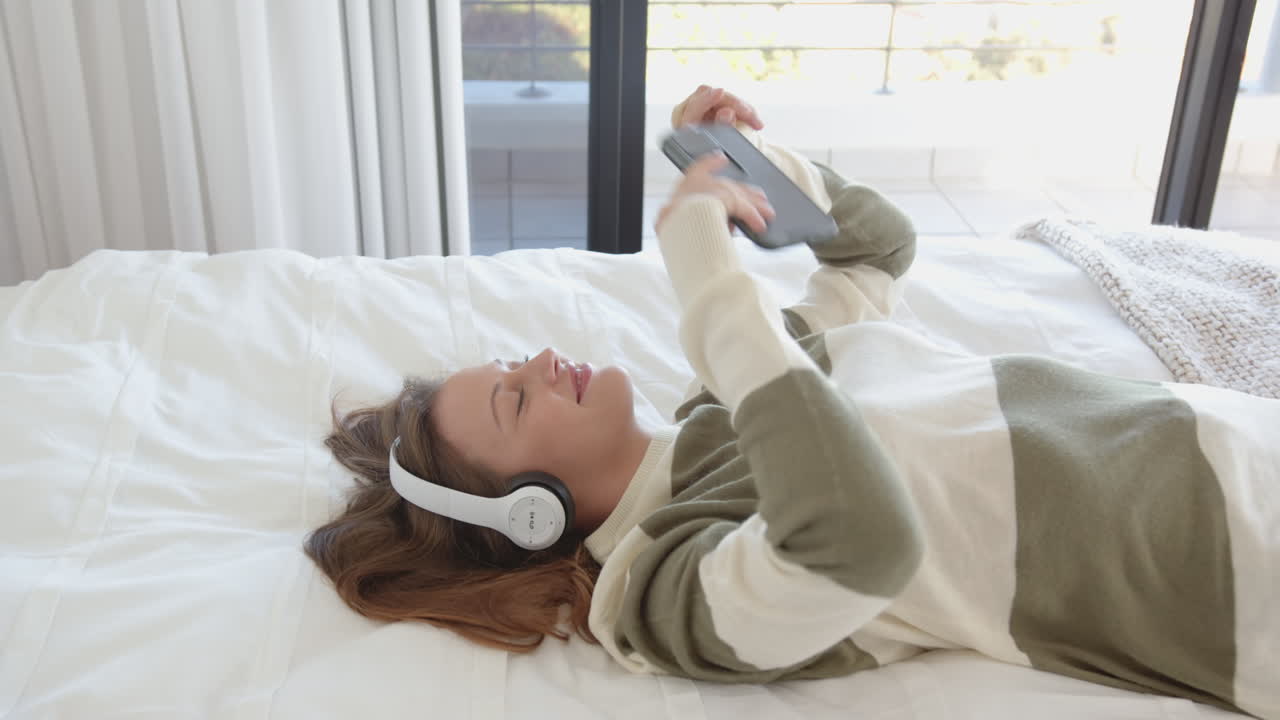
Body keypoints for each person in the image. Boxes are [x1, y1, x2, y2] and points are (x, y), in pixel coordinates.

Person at [304, 85, 1278, 719]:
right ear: (530, 516)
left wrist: (770, 176)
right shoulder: (656, 588)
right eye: (517, 400)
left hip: (1229, 435)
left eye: (514, 362)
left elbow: (877, 253)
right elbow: (858, 543)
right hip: (1226, 564)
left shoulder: (725, 402)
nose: (546, 360)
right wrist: (707, 292)